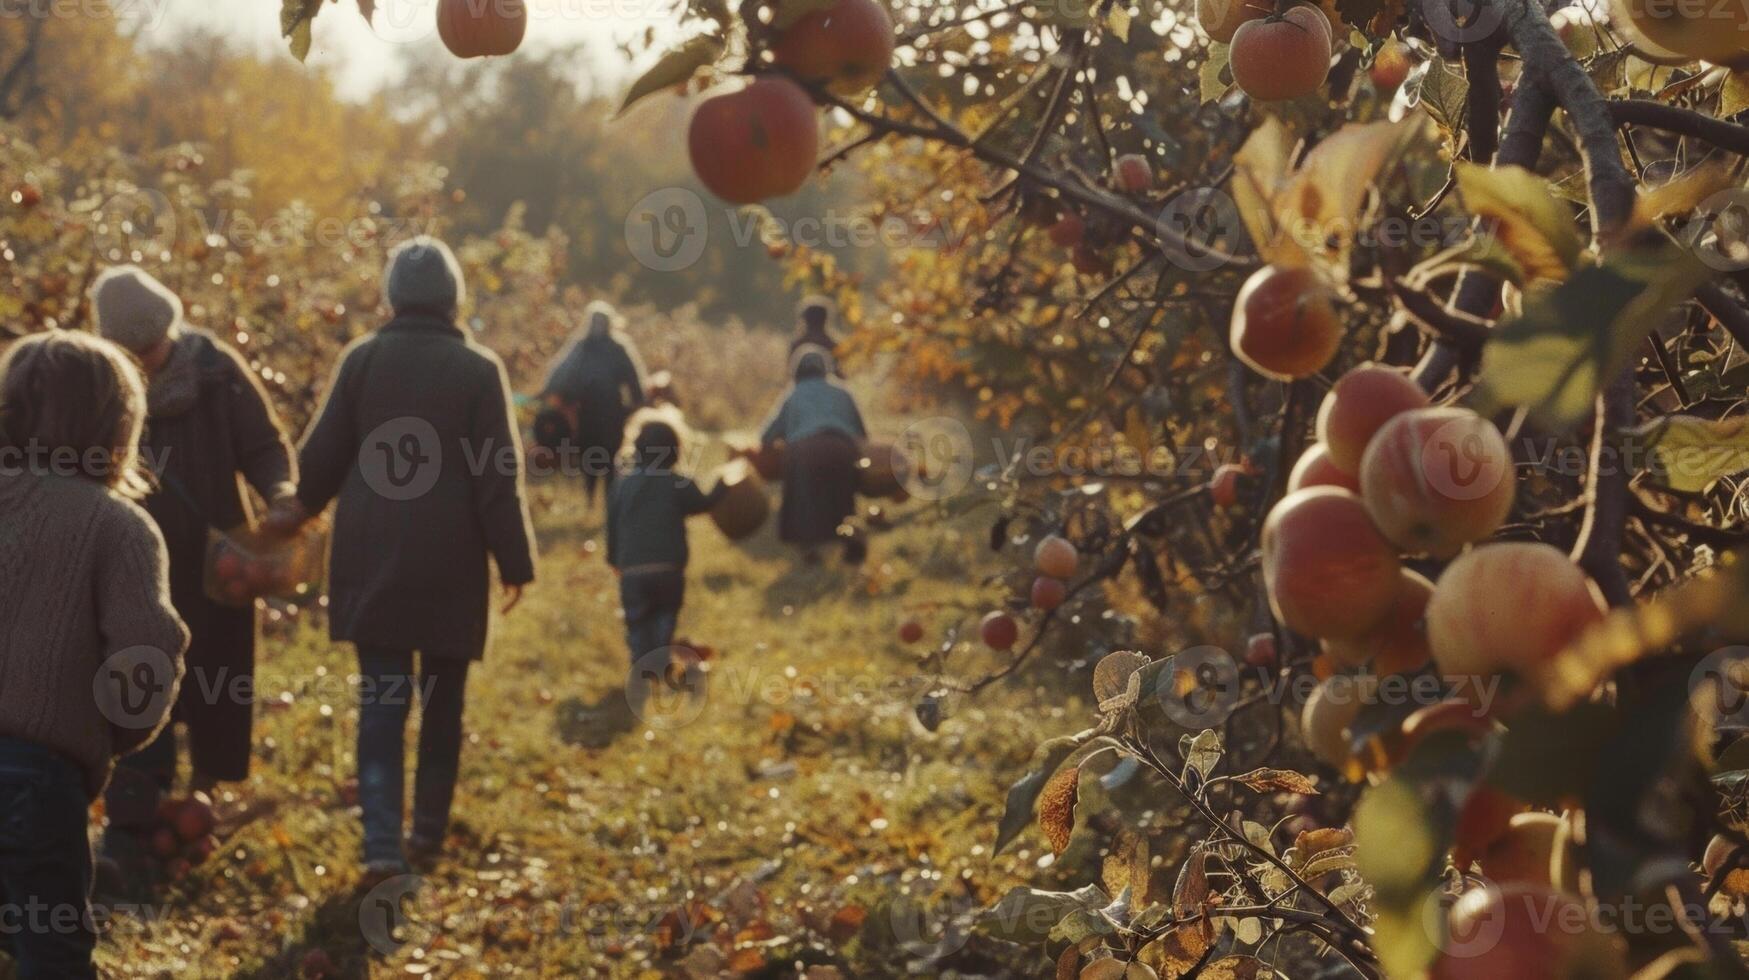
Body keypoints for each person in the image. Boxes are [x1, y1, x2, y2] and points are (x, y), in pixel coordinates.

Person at [290, 237, 537, 877]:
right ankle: (426, 831)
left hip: (372, 554)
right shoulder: (481, 372)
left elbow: (320, 461)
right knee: (443, 699)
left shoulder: (363, 361)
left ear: (392, 296)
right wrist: (515, 561)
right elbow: (497, 478)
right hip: (451, 561)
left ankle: (380, 842)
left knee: (382, 701)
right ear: (454, 299)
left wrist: (289, 512)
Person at [0, 331, 189, 978]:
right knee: (50, 950)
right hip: (35, 777)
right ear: (117, 426)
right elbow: (145, 657)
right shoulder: (117, 526)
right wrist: (111, 737)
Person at [89, 265, 298, 810]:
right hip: (135, 556)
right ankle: (138, 802)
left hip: (217, 557)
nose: (150, 357)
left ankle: (208, 787)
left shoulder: (215, 369)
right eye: (137, 351)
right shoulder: (102, 382)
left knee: (220, 670)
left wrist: (279, 492)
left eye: (156, 345)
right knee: (140, 665)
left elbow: (262, 443)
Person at [606, 415, 727, 719]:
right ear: (675, 450)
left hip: (632, 569)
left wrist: (613, 559)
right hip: (669, 568)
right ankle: (659, 659)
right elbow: (704, 502)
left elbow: (612, 524)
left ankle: (641, 665)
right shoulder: (677, 482)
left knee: (637, 621)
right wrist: (724, 483)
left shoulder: (622, 483)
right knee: (664, 616)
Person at [759, 347, 867, 562]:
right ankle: (850, 540)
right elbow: (862, 433)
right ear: (825, 369)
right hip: (840, 448)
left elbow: (767, 436)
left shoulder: (792, 396)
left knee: (801, 500)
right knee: (842, 498)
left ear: (796, 371)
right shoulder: (842, 392)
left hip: (803, 451)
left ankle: (809, 548)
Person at [540, 301, 647, 507]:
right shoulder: (581, 346)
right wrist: (553, 394)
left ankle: (610, 502)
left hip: (613, 411)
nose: (598, 325)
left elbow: (633, 378)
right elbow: (561, 372)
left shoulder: (618, 347)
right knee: (589, 457)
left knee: (610, 457)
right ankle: (590, 502)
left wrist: (637, 402)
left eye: (602, 321)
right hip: (586, 412)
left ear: (609, 322)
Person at [787, 297, 844, 377]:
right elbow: (839, 375)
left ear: (805, 320)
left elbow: (790, 375)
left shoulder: (797, 345)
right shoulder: (832, 345)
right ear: (825, 319)